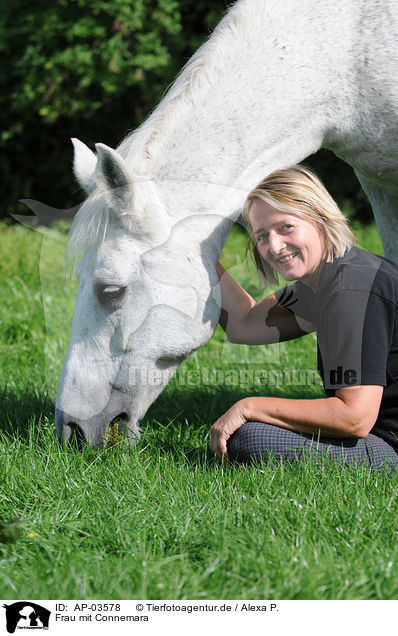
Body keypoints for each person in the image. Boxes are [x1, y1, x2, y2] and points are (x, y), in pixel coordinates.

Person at [210, 165, 398, 470]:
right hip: (376, 430)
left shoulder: (352, 288)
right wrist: (198, 253)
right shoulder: (323, 281)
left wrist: (249, 406)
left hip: (390, 444)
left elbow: (355, 417)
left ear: (320, 220)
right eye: (261, 236)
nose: (274, 246)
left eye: (286, 227)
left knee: (249, 438)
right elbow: (244, 324)